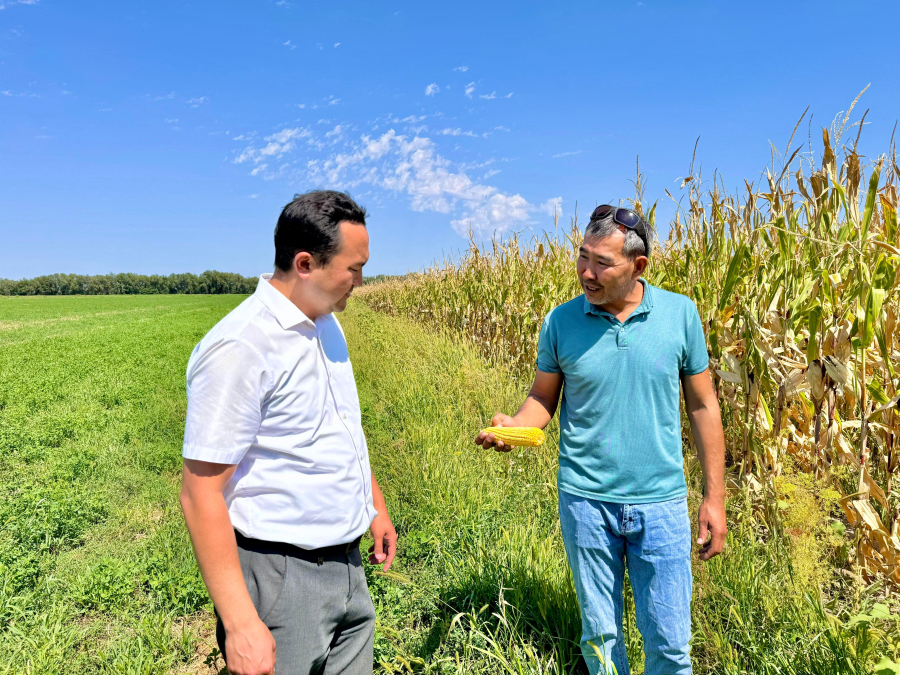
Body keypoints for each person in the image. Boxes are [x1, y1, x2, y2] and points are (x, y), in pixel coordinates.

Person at [475, 204, 726, 675]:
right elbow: (543, 399)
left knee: (671, 644)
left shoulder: (680, 314)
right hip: (586, 503)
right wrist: (515, 425)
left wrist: (715, 498)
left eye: (602, 263)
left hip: (662, 504)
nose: (587, 273)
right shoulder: (560, 322)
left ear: (639, 266)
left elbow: (703, 406)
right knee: (602, 641)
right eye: (582, 257)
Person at [180, 190, 397, 675]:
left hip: (348, 565)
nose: (361, 282)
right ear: (305, 263)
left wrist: (374, 506)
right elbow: (200, 493)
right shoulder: (241, 347)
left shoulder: (326, 323)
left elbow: (341, 429)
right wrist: (240, 623)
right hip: (280, 577)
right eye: (354, 268)